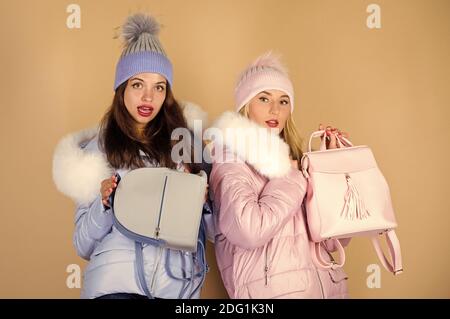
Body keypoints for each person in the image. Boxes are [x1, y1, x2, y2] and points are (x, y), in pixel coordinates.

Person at [52, 13, 210, 299]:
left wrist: (201, 200)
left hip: (175, 287)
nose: (148, 97)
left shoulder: (184, 146)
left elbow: (211, 233)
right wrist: (103, 204)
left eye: (158, 87)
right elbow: (82, 245)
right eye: (138, 84)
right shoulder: (97, 150)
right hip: (116, 286)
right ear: (122, 88)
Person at [209, 52, 351, 298]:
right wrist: (290, 176)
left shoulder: (299, 160)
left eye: (283, 101)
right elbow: (249, 229)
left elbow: (333, 241)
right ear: (246, 107)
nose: (275, 109)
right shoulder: (230, 159)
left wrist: (332, 168)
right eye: (263, 99)